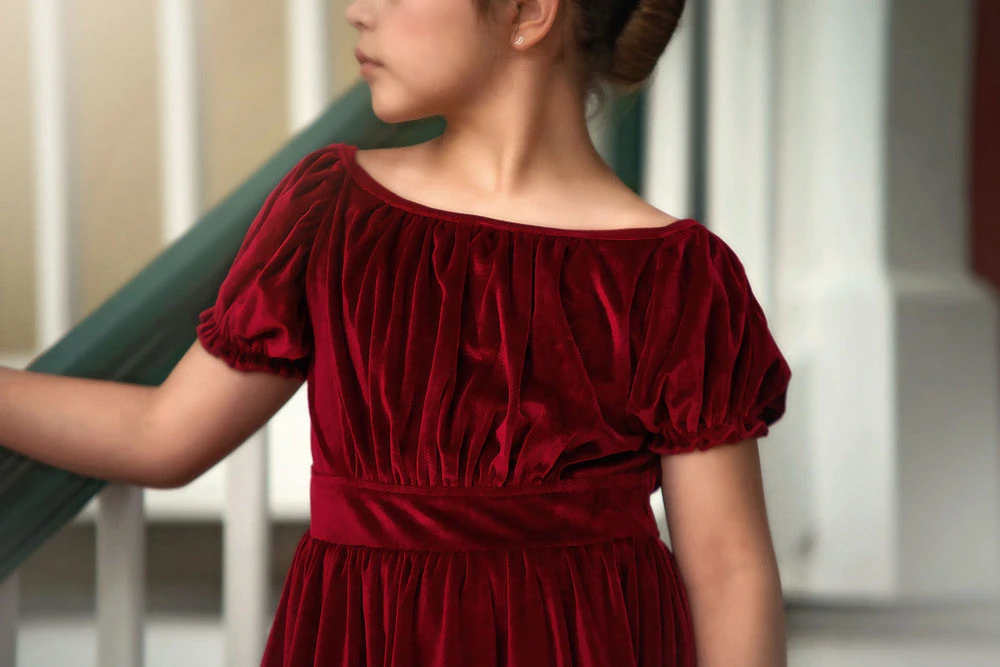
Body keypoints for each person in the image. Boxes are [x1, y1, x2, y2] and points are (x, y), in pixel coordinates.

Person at [0, 0, 795, 663]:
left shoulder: (677, 276)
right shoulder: (332, 213)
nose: (357, 11)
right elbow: (162, 434)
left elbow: (729, 572)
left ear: (528, 12)